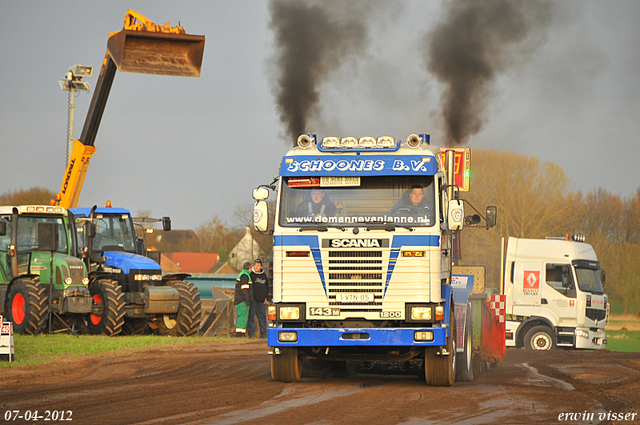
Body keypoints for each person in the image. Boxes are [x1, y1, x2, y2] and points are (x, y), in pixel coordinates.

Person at [247, 258, 269, 339]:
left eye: (258, 265)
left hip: (262, 301)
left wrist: (266, 297)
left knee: (262, 318)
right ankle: (251, 334)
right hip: (253, 301)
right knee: (251, 317)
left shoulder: (264, 276)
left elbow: (267, 287)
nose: (256, 267)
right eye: (255, 265)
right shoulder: (251, 275)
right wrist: (251, 297)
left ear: (261, 267)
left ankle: (264, 334)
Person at [233, 262, 253, 337]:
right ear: (249, 268)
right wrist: (247, 301)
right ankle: (240, 333)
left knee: (242, 316)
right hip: (242, 300)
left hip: (239, 299)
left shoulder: (242, 274)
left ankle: (241, 332)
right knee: (242, 316)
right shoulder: (245, 275)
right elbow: (245, 290)